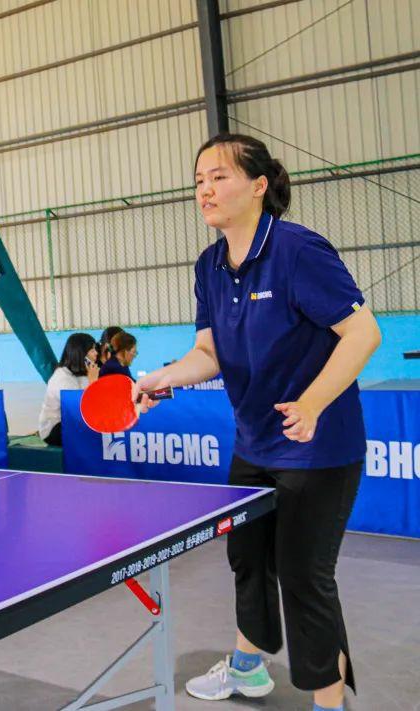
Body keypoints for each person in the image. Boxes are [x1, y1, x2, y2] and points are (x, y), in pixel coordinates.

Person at [134, 134, 380, 711]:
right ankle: (248, 668)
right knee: (247, 559)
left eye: (219, 176)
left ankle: (329, 702)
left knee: (303, 575)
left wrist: (313, 403)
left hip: (317, 447)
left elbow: (363, 333)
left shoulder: (298, 251)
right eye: (199, 180)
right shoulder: (209, 265)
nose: (205, 190)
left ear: (259, 185)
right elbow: (209, 353)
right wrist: (161, 377)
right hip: (254, 442)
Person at [38, 333, 99, 446]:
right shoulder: (62, 377)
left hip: (72, 422)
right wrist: (93, 383)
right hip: (54, 428)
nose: (96, 353)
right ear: (81, 354)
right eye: (92, 350)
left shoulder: (84, 374)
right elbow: (79, 409)